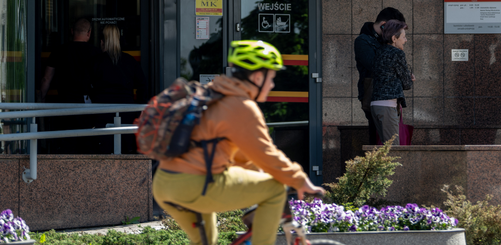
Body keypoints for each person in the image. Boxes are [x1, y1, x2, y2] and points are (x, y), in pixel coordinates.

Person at [152, 40, 324, 245]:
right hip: (197, 183)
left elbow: (244, 158)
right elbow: (266, 153)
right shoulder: (241, 106)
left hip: (165, 184)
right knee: (276, 189)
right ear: (258, 77)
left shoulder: (213, 94)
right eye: (272, 78)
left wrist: (259, 183)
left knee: (206, 241)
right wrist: (299, 179)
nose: (272, 85)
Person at [38, 18, 98, 153]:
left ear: (71, 31)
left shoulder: (59, 51)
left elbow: (46, 78)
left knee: (66, 142)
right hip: (87, 103)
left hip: (63, 102)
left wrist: (41, 99)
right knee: (86, 142)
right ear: (89, 33)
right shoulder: (96, 53)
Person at [92, 24, 147, 153]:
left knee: (103, 151)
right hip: (126, 111)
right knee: (126, 150)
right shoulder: (130, 61)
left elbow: (88, 86)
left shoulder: (96, 62)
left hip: (102, 112)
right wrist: (138, 110)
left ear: (102, 42)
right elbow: (143, 85)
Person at [354, 7, 405, 144]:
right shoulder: (363, 41)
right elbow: (375, 67)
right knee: (379, 139)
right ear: (383, 25)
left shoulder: (384, 42)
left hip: (391, 97)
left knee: (387, 138)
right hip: (373, 94)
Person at [370, 20, 414, 145]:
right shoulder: (397, 53)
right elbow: (407, 84)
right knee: (393, 149)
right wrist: (410, 78)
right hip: (387, 106)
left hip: (376, 104)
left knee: (385, 148)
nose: (405, 40)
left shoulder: (379, 51)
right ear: (394, 38)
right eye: (404, 37)